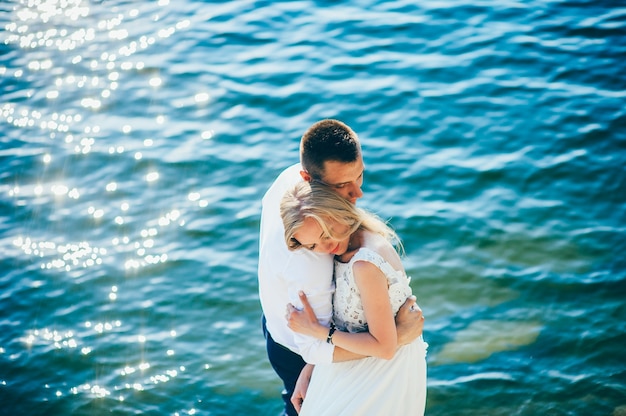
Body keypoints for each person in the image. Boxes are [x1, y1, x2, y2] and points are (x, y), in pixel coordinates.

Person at [257, 119, 424, 416]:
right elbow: (314, 345)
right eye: (342, 186)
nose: (357, 193)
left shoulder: (299, 191)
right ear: (309, 179)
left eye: (359, 176)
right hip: (298, 345)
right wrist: (400, 336)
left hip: (309, 338)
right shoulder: (311, 248)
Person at [281, 181, 428, 415]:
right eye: (313, 245)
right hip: (358, 363)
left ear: (336, 211)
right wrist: (312, 366)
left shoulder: (364, 264)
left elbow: (384, 347)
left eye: (325, 233)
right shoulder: (346, 245)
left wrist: (318, 332)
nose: (325, 246)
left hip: (381, 375)